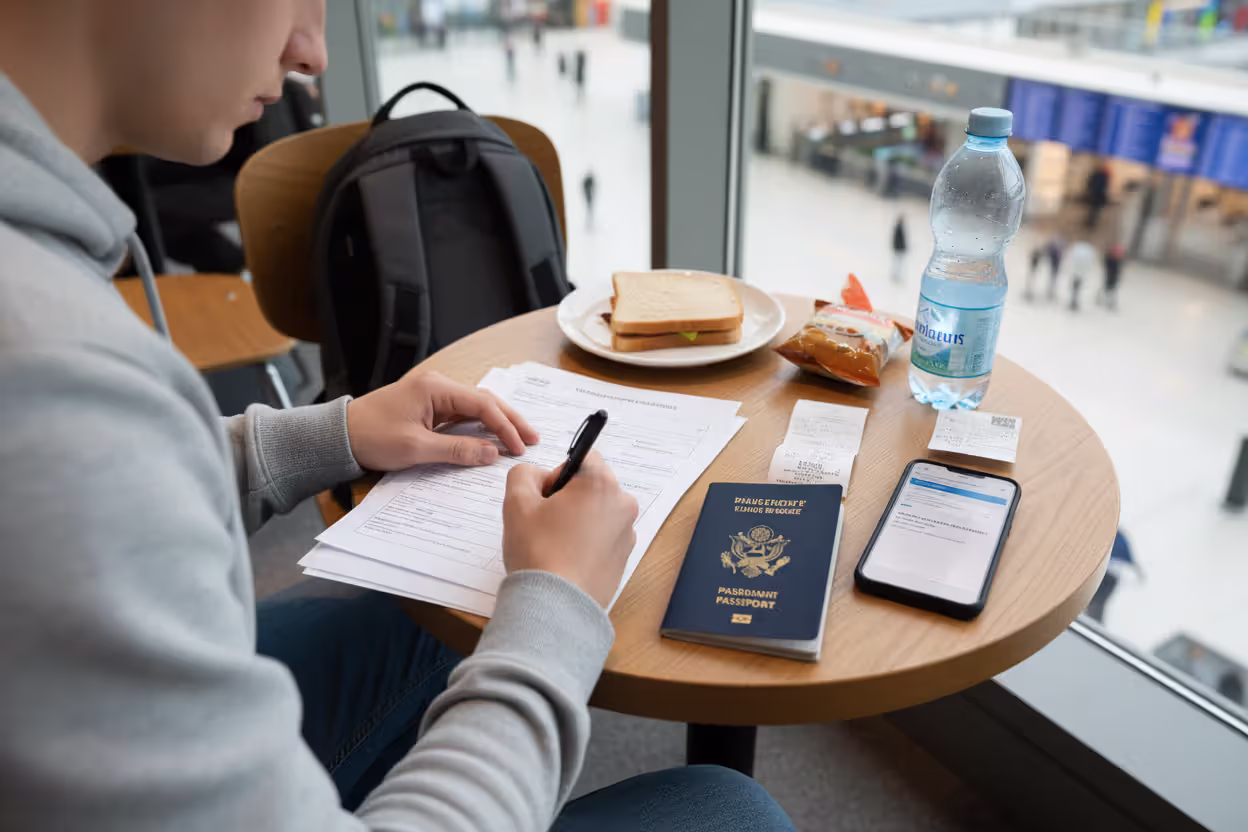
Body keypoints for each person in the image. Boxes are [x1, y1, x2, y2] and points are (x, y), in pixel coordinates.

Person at [0, 3, 796, 831]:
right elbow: (88, 458)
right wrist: (553, 610)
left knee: (436, 607)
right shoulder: (56, 378)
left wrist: (326, 435)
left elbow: (122, 483)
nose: (311, 53)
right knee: (733, 810)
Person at [1065, 240, 1098, 313]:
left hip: (1077, 273)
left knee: (1075, 288)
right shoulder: (1088, 251)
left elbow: (1072, 259)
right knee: (1076, 288)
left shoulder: (1079, 250)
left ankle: (1074, 301)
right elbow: (1091, 262)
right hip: (1079, 273)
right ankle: (1074, 301)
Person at [1084, 163, 1110, 231]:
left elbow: (1091, 183)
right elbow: (1090, 183)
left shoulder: (1103, 175)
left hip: (1098, 194)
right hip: (1096, 194)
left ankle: (1091, 221)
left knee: (1095, 209)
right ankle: (1090, 221)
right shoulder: (1100, 175)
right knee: (1093, 209)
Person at [1100, 243, 1125, 311]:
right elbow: (1107, 265)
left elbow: (1119, 268)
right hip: (1110, 275)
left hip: (1114, 276)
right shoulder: (1110, 258)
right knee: (1107, 288)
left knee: (1112, 289)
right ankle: (1102, 299)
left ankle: (1110, 302)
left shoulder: (1118, 259)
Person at [1046, 236, 1065, 302]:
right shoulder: (1058, 246)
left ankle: (1051, 290)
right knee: (1053, 278)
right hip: (1055, 265)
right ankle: (1051, 290)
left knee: (1053, 278)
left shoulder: (1058, 245)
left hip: (1055, 265)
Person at [890, 214, 907, 283]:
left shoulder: (900, 227)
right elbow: (897, 239)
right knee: (897, 263)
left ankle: (897, 275)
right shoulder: (898, 228)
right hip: (898, 249)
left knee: (898, 263)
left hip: (899, 248)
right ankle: (896, 275)